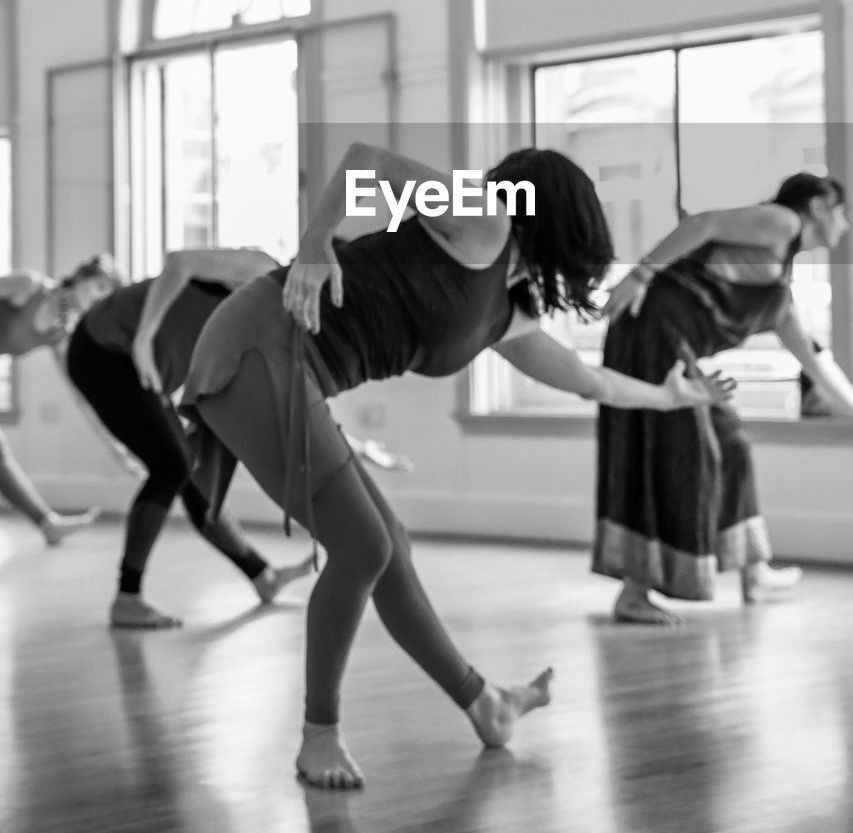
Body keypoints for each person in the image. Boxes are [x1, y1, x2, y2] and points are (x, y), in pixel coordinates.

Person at [180, 143, 734, 790]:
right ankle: (317, 737)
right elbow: (366, 163)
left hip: (298, 368)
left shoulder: (505, 311)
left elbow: (586, 379)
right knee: (361, 547)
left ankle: (486, 706)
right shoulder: (484, 216)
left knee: (391, 549)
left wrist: (668, 398)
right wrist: (313, 243)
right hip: (257, 341)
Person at [65, 245, 408, 630]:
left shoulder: (283, 329)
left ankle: (263, 577)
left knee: (194, 478)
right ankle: (127, 597)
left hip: (143, 374)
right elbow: (181, 262)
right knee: (172, 465)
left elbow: (300, 406)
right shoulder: (261, 270)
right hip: (103, 347)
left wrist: (359, 448)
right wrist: (144, 339)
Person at [596, 171, 853, 625]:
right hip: (651, 333)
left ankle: (754, 572)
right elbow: (705, 224)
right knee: (680, 450)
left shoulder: (778, 290)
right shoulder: (782, 223)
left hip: (673, 345)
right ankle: (633, 593)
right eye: (842, 213)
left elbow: (816, 361)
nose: (846, 226)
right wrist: (640, 275)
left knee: (731, 444)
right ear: (817, 206)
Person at [0, 256, 121, 545]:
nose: (98, 298)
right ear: (80, 276)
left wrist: (117, 446)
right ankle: (47, 523)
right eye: (98, 286)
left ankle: (47, 524)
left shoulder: (61, 333)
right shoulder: (29, 286)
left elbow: (80, 395)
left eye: (107, 295)